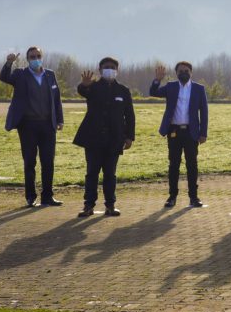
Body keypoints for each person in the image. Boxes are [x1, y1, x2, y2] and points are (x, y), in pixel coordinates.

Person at [0, 47, 64, 207]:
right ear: (27, 59)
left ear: (42, 57)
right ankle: (30, 196)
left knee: (48, 162)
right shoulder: (20, 74)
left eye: (38, 56)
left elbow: (56, 99)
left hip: (48, 125)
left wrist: (59, 119)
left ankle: (47, 196)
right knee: (29, 162)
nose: (36, 58)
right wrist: (9, 63)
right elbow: (4, 77)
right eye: (32, 57)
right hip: (28, 125)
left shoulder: (50, 75)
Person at [73, 58, 136, 217]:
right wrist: (84, 85)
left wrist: (129, 137)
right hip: (93, 138)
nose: (110, 69)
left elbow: (129, 115)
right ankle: (88, 206)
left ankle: (110, 205)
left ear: (117, 70)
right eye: (106, 67)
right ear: (100, 70)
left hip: (114, 139)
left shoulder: (123, 90)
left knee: (110, 174)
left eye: (113, 67)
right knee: (92, 173)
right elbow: (82, 91)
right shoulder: (93, 87)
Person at [149, 61, 209, 208]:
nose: (184, 73)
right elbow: (153, 92)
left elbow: (204, 112)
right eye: (181, 71)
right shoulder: (171, 87)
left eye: (187, 70)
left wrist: (203, 133)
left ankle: (193, 197)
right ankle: (172, 197)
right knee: (174, 165)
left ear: (191, 72)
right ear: (176, 73)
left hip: (191, 132)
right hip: (174, 131)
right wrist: (157, 80)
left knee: (192, 165)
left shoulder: (198, 89)